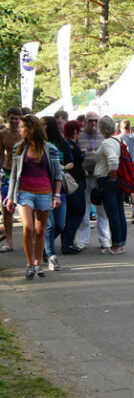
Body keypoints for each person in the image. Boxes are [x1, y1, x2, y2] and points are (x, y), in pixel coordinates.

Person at [5, 115, 62, 279]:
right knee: (28, 228)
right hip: (25, 192)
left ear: (32, 129)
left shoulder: (50, 148)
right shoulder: (19, 148)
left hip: (44, 192)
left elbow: (58, 175)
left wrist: (56, 195)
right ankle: (29, 264)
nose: (20, 129)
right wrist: (10, 197)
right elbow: (14, 176)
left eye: (23, 127)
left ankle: (38, 264)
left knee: (40, 230)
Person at [74, 111, 111, 251]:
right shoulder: (80, 136)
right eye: (90, 120)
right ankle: (82, 241)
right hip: (86, 178)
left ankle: (105, 240)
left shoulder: (102, 135)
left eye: (96, 120)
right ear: (85, 122)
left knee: (102, 211)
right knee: (84, 210)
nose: (93, 123)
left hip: (100, 178)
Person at [42, 116, 72, 271]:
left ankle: (44, 245)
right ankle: (49, 252)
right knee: (49, 225)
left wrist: (63, 167)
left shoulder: (61, 143)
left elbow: (71, 161)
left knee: (60, 225)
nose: (41, 127)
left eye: (44, 124)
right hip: (43, 189)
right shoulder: (38, 145)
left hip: (60, 188)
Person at [95, 115, 127, 254]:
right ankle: (121, 243)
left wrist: (111, 175)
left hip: (108, 180)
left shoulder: (107, 142)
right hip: (117, 180)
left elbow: (113, 160)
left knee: (112, 212)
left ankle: (115, 245)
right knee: (119, 212)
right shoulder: (119, 139)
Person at [61, 120, 86, 254]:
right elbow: (74, 161)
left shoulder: (66, 143)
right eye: (79, 130)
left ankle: (66, 241)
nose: (81, 133)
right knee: (78, 211)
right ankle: (68, 242)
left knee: (70, 213)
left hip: (70, 182)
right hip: (74, 183)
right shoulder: (70, 145)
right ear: (75, 131)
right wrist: (82, 154)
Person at [0, 106, 22, 253]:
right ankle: (9, 241)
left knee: (27, 206)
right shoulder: (2, 134)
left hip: (23, 173)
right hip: (7, 172)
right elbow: (0, 155)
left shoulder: (24, 133)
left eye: (16, 118)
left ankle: (32, 237)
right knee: (6, 208)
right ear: (7, 119)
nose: (14, 121)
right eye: (11, 118)